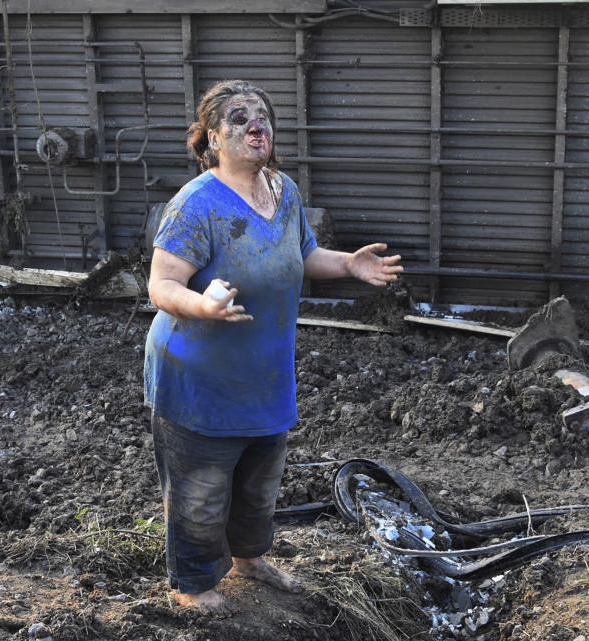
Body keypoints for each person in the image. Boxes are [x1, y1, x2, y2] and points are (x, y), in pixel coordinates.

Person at [144, 79, 402, 616]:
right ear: (212, 138)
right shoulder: (196, 204)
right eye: (238, 118)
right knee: (201, 488)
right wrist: (203, 306)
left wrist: (349, 265)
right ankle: (190, 584)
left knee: (260, 478)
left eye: (261, 115)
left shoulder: (283, 191)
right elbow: (161, 285)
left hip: (262, 372)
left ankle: (250, 558)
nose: (254, 124)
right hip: (197, 375)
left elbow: (303, 253)